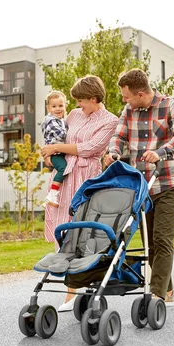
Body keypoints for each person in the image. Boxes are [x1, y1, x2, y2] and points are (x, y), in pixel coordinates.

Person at [103, 68, 174, 307]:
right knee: (150, 242)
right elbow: (118, 137)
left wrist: (161, 152)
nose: (124, 100)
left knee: (162, 239)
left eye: (126, 96)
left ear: (140, 94)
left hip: (168, 183)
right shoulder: (128, 111)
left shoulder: (172, 105)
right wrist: (113, 152)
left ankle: (157, 295)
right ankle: (168, 288)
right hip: (141, 187)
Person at [41, 75, 118, 312]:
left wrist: (56, 148)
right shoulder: (73, 115)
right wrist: (50, 155)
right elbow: (59, 137)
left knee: (83, 229)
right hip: (66, 177)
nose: (77, 105)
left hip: (86, 177)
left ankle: (82, 289)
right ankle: (70, 292)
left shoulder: (110, 120)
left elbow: (90, 148)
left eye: (81, 100)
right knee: (62, 227)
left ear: (94, 98)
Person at [40, 91, 68, 208]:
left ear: (65, 106)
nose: (58, 109)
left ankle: (54, 194)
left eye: (60, 106)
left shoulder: (61, 120)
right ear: (48, 108)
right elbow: (61, 135)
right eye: (54, 106)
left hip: (58, 152)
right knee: (64, 168)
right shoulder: (51, 120)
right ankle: (52, 194)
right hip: (55, 153)